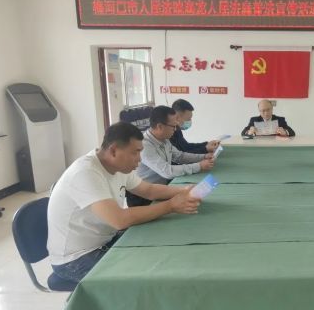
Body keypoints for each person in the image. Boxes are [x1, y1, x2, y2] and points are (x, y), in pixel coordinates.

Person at [47, 121, 201, 284]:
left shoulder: (119, 167)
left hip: (105, 240)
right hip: (76, 258)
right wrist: (170, 206)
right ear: (113, 150)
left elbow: (149, 190)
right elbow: (119, 220)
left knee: (159, 246)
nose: (139, 159)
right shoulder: (85, 172)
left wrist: (183, 190)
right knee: (149, 275)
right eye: (135, 152)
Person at [129, 105, 214, 206]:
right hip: (143, 196)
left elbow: (179, 156)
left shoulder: (164, 139)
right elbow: (167, 171)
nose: (176, 129)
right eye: (173, 126)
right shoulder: (144, 145)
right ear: (160, 126)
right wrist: (199, 166)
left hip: (161, 188)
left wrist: (203, 157)